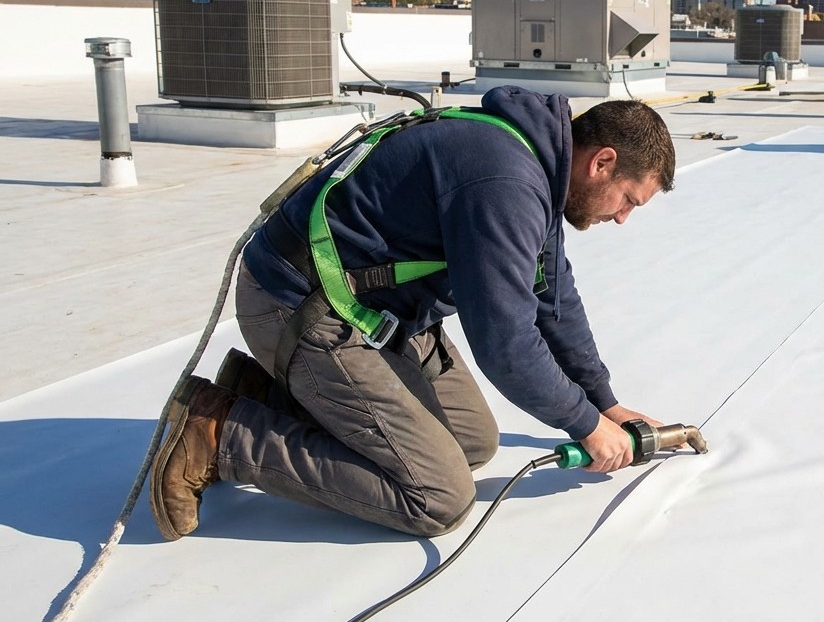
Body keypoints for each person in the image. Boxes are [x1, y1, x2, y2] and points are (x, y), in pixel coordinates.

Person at [150, 86, 677, 541]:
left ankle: (276, 395)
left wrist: (607, 405)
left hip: (375, 312)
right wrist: (585, 426)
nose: (623, 218)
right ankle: (220, 433)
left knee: (473, 442)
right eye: (628, 199)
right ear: (602, 162)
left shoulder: (536, 164)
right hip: (299, 307)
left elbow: (553, 303)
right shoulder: (505, 181)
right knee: (438, 496)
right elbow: (507, 343)